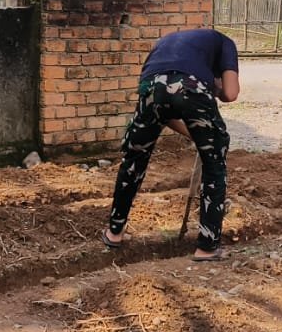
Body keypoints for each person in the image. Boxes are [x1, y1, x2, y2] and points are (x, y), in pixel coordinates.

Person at [102, 27, 240, 261]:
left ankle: (114, 233)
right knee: (214, 162)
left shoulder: (169, 41)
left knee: (134, 160)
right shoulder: (225, 42)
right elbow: (231, 92)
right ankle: (207, 247)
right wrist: (214, 89)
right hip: (191, 86)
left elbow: (164, 114)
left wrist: (198, 136)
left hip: (151, 87)